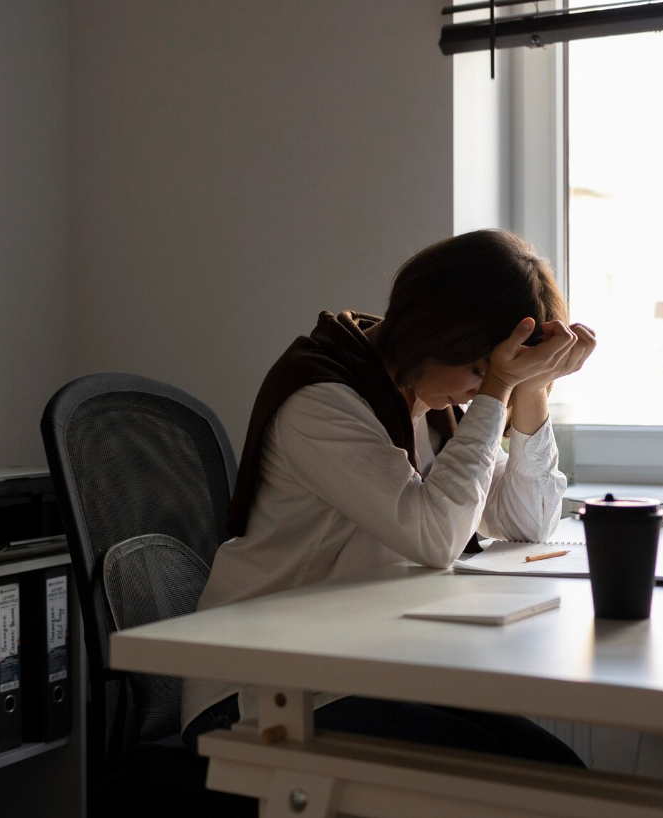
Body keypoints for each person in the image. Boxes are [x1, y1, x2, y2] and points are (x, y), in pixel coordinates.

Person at [182, 229, 595, 766]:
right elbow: (435, 537)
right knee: (493, 775)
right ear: (436, 331)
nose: (478, 390)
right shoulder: (322, 399)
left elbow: (526, 522)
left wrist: (531, 387)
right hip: (260, 688)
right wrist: (496, 391)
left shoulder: (431, 403)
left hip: (360, 666)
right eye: (478, 369)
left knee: (554, 769)